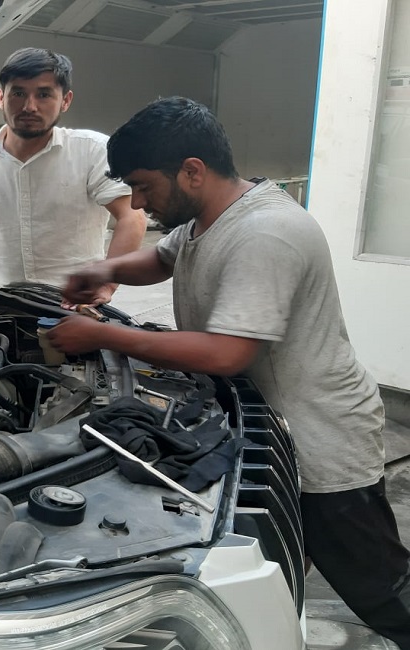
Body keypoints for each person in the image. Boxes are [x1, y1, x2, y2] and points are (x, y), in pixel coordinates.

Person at [48, 96, 410, 647]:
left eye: (144, 187)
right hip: (268, 428)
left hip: (322, 439)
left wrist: (101, 335)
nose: (137, 203)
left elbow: (225, 353)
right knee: (278, 564)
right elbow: (163, 258)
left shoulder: (266, 232)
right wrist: (104, 269)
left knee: (379, 586)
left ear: (192, 171)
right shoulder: (209, 217)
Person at [0, 47, 145, 305]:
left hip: (74, 304)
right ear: (1, 97)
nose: (29, 106)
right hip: (1, 304)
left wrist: (107, 284)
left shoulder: (92, 151)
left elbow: (131, 217)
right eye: (18, 93)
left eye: (44, 94)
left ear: (65, 100)